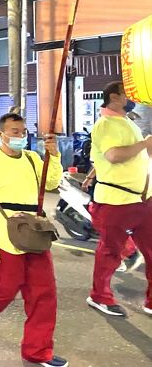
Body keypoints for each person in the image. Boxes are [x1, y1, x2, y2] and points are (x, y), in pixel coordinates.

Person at [0, 112, 67, 367]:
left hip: (35, 234)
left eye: (22, 131)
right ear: (1, 134)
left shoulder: (32, 158)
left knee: (44, 293)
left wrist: (55, 154)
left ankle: (38, 351)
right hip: (5, 235)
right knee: (5, 289)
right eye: (14, 131)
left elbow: (51, 182)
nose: (20, 135)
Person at [86, 81, 152, 317]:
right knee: (110, 253)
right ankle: (99, 296)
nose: (131, 98)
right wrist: (144, 144)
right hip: (117, 201)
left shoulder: (126, 122)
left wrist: (146, 148)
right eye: (127, 94)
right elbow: (114, 155)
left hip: (142, 200)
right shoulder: (105, 124)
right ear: (114, 97)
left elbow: (136, 155)